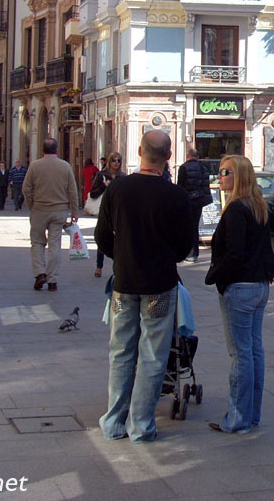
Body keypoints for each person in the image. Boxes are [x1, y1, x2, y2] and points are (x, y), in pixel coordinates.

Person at [95, 130, 191, 442]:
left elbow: (101, 236)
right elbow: (186, 245)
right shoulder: (175, 195)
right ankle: (141, 425)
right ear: (169, 155)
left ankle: (113, 422)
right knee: (153, 354)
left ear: (139, 151)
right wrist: (166, 258)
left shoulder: (118, 188)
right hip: (160, 284)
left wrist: (120, 256)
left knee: (121, 351)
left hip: (124, 283)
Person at [205, 154, 274, 434]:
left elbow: (234, 254)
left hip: (241, 289)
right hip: (259, 287)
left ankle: (238, 419)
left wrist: (214, 276)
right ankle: (250, 416)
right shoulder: (258, 206)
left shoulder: (236, 210)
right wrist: (273, 267)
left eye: (225, 172)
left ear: (239, 177)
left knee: (241, 355)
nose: (220, 177)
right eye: (220, 172)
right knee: (254, 352)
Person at [22, 138, 78, 292]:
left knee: (38, 242)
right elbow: (72, 191)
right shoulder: (65, 166)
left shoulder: (34, 166)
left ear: (42, 150)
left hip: (39, 209)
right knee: (55, 244)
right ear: (57, 150)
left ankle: (40, 273)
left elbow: (26, 189)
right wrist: (74, 211)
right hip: (60, 211)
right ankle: (53, 280)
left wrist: (31, 205)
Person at [89, 152, 123, 277]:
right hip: (104, 210)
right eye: (114, 160)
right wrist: (104, 186)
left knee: (120, 239)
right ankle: (99, 266)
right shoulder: (101, 175)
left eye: (119, 160)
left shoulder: (123, 177)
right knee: (103, 235)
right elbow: (93, 193)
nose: (116, 163)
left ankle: (118, 266)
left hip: (119, 210)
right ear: (109, 161)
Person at [176, 147, 212, 262]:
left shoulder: (184, 168)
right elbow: (206, 185)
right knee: (195, 226)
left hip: (188, 201)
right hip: (200, 201)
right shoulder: (203, 168)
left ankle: (188, 253)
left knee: (186, 226)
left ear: (188, 156)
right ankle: (194, 253)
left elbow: (180, 186)